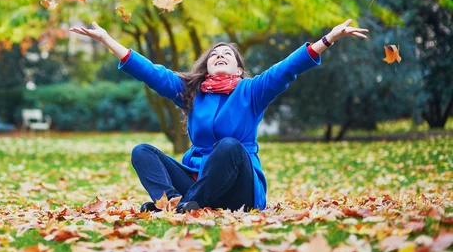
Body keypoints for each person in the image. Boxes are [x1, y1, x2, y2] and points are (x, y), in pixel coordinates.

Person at [70, 19, 369, 213]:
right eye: (214, 55)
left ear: (238, 69)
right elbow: (151, 72)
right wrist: (108, 40)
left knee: (229, 146)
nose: (220, 55)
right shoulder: (191, 91)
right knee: (142, 152)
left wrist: (328, 39)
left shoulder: (252, 91)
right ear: (207, 67)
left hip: (240, 189)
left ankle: (186, 204)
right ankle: (174, 203)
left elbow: (288, 67)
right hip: (197, 182)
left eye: (227, 54)